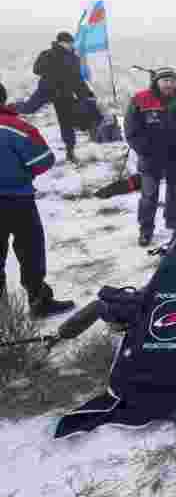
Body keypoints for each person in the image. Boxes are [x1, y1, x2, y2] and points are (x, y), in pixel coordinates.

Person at [0, 82, 75, 317]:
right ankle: (39, 302)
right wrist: (22, 172)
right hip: (18, 200)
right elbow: (43, 160)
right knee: (30, 252)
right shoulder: (17, 127)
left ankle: (3, 319)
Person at [124, 67, 176, 247]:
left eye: (172, 80)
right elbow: (131, 130)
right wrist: (144, 149)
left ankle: (172, 225)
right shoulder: (141, 99)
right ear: (156, 82)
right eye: (165, 80)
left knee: (175, 193)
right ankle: (145, 229)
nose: (169, 84)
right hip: (151, 157)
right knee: (149, 195)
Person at [31, 31, 97, 164]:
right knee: (30, 108)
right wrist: (54, 68)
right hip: (50, 91)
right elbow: (36, 69)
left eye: (71, 43)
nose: (70, 45)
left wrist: (86, 94)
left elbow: (78, 79)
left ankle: (71, 150)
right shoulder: (48, 54)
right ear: (61, 42)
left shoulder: (73, 58)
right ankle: (8, 111)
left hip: (66, 93)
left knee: (70, 121)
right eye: (68, 43)